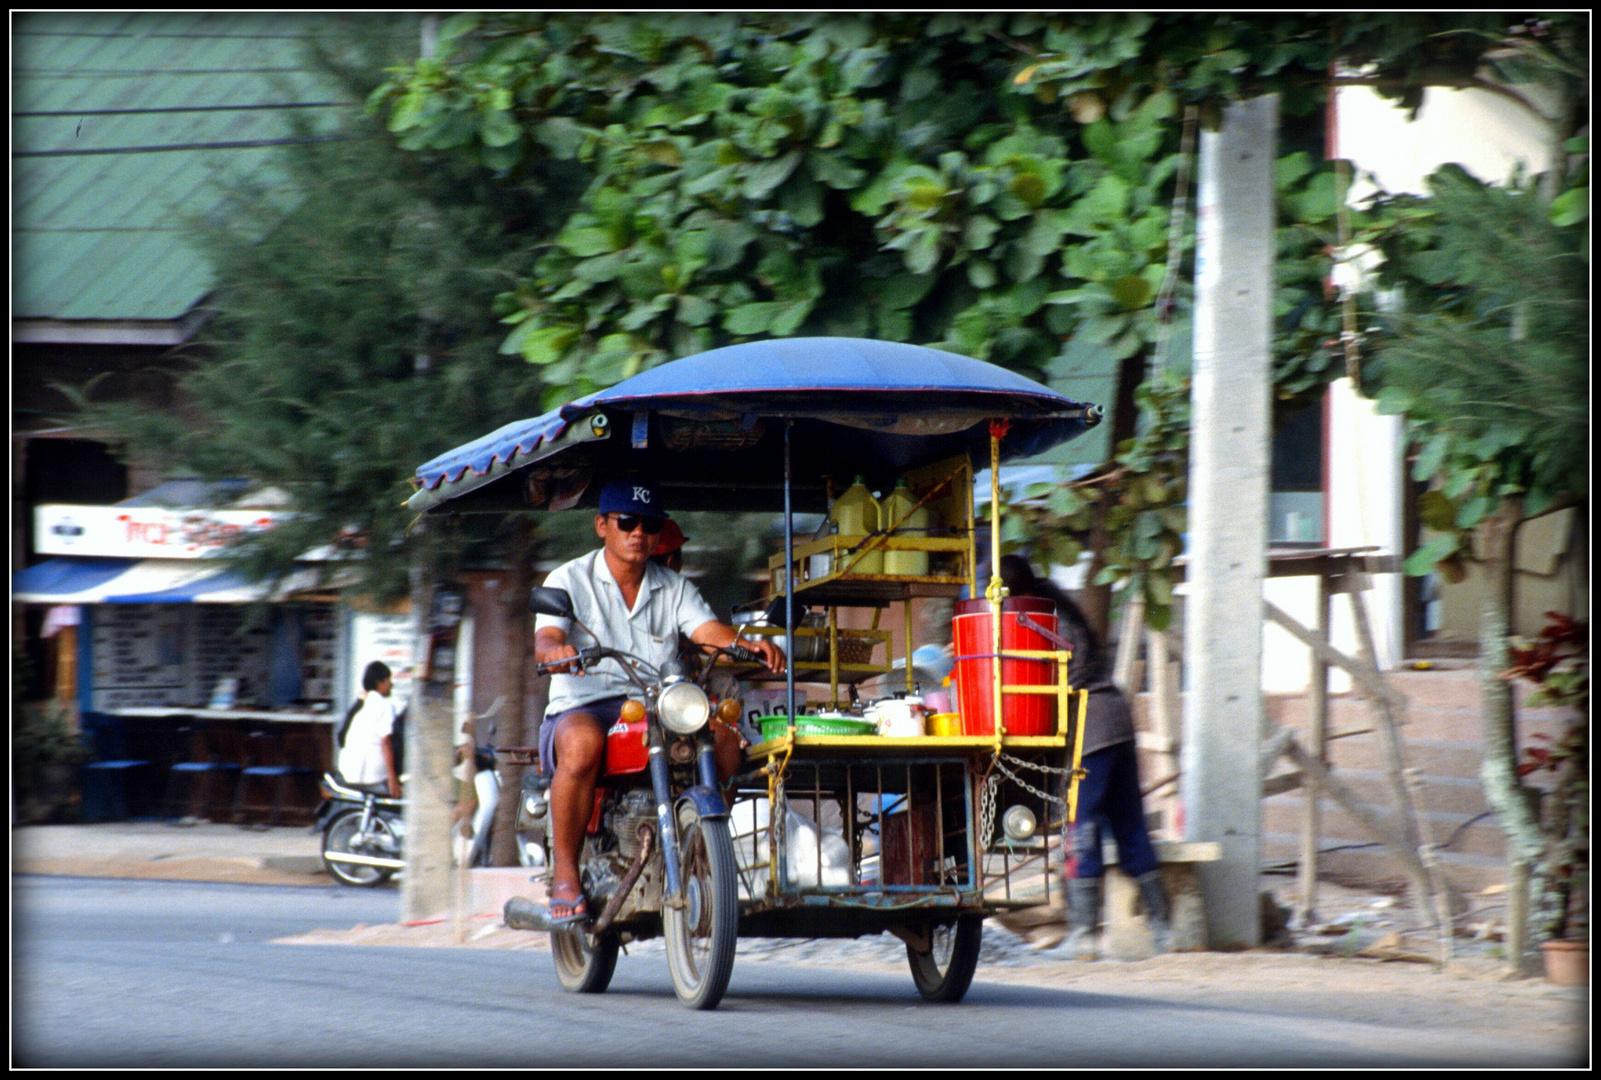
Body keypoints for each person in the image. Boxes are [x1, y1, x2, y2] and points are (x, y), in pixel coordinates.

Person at [533, 480, 785, 925]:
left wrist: (749, 645)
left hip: (657, 703)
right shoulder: (568, 579)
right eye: (627, 522)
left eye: (649, 525)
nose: (638, 533)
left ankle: (707, 855)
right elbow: (548, 634)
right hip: (584, 704)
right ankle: (566, 874)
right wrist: (555, 652)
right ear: (602, 525)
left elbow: (706, 631)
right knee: (583, 744)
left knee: (726, 743)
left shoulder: (674, 586)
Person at [998, 554, 1171, 958]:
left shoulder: (1032, 614)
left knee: (1081, 828)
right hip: (1117, 719)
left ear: (1010, 593)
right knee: (1130, 825)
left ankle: (1084, 937)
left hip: (1090, 729)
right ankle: (1165, 932)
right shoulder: (1056, 603)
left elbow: (1068, 665)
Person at [336, 661, 402, 798]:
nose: (391, 684)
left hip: (350, 771)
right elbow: (385, 742)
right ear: (379, 683)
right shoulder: (384, 706)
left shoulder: (362, 706)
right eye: (387, 680)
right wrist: (392, 778)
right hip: (371, 774)